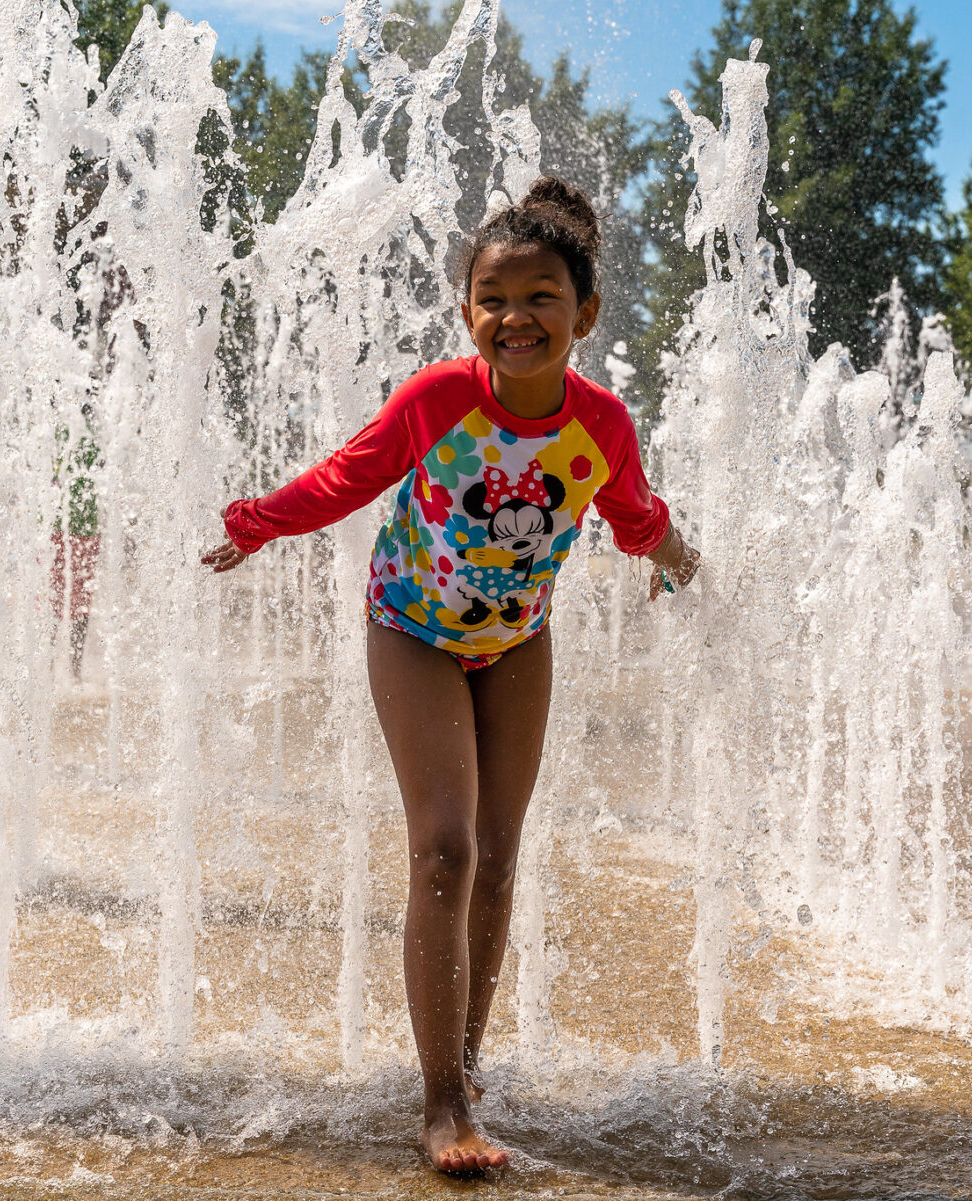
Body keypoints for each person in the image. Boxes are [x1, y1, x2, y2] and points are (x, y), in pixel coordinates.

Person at [201, 177, 700, 1174]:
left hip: (517, 641)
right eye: (494, 299)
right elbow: (352, 473)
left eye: (541, 297)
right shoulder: (440, 398)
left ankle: (468, 1069)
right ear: (467, 311)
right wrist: (258, 522)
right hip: (412, 628)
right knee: (443, 847)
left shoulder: (599, 423)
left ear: (584, 313)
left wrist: (675, 558)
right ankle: (438, 1106)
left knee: (501, 858)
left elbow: (633, 509)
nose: (515, 318)